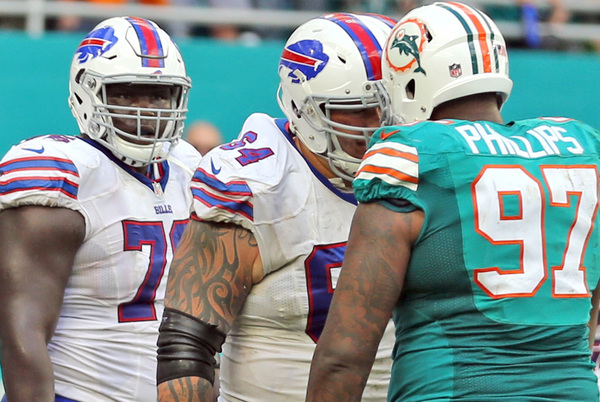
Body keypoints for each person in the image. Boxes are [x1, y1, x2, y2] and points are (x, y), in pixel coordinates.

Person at [307, 2, 600, 401]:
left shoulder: (412, 156)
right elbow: (586, 314)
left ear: (410, 82)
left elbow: (345, 355)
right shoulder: (582, 148)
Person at [156, 12, 397, 401]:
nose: (376, 123)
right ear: (304, 109)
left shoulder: (417, 168)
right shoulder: (260, 186)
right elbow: (186, 350)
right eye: (356, 108)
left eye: (387, 106)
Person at [0, 16, 200, 401]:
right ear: (85, 94)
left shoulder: (187, 167)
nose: (147, 110)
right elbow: (22, 330)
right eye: (127, 94)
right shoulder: (63, 175)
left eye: (160, 95)